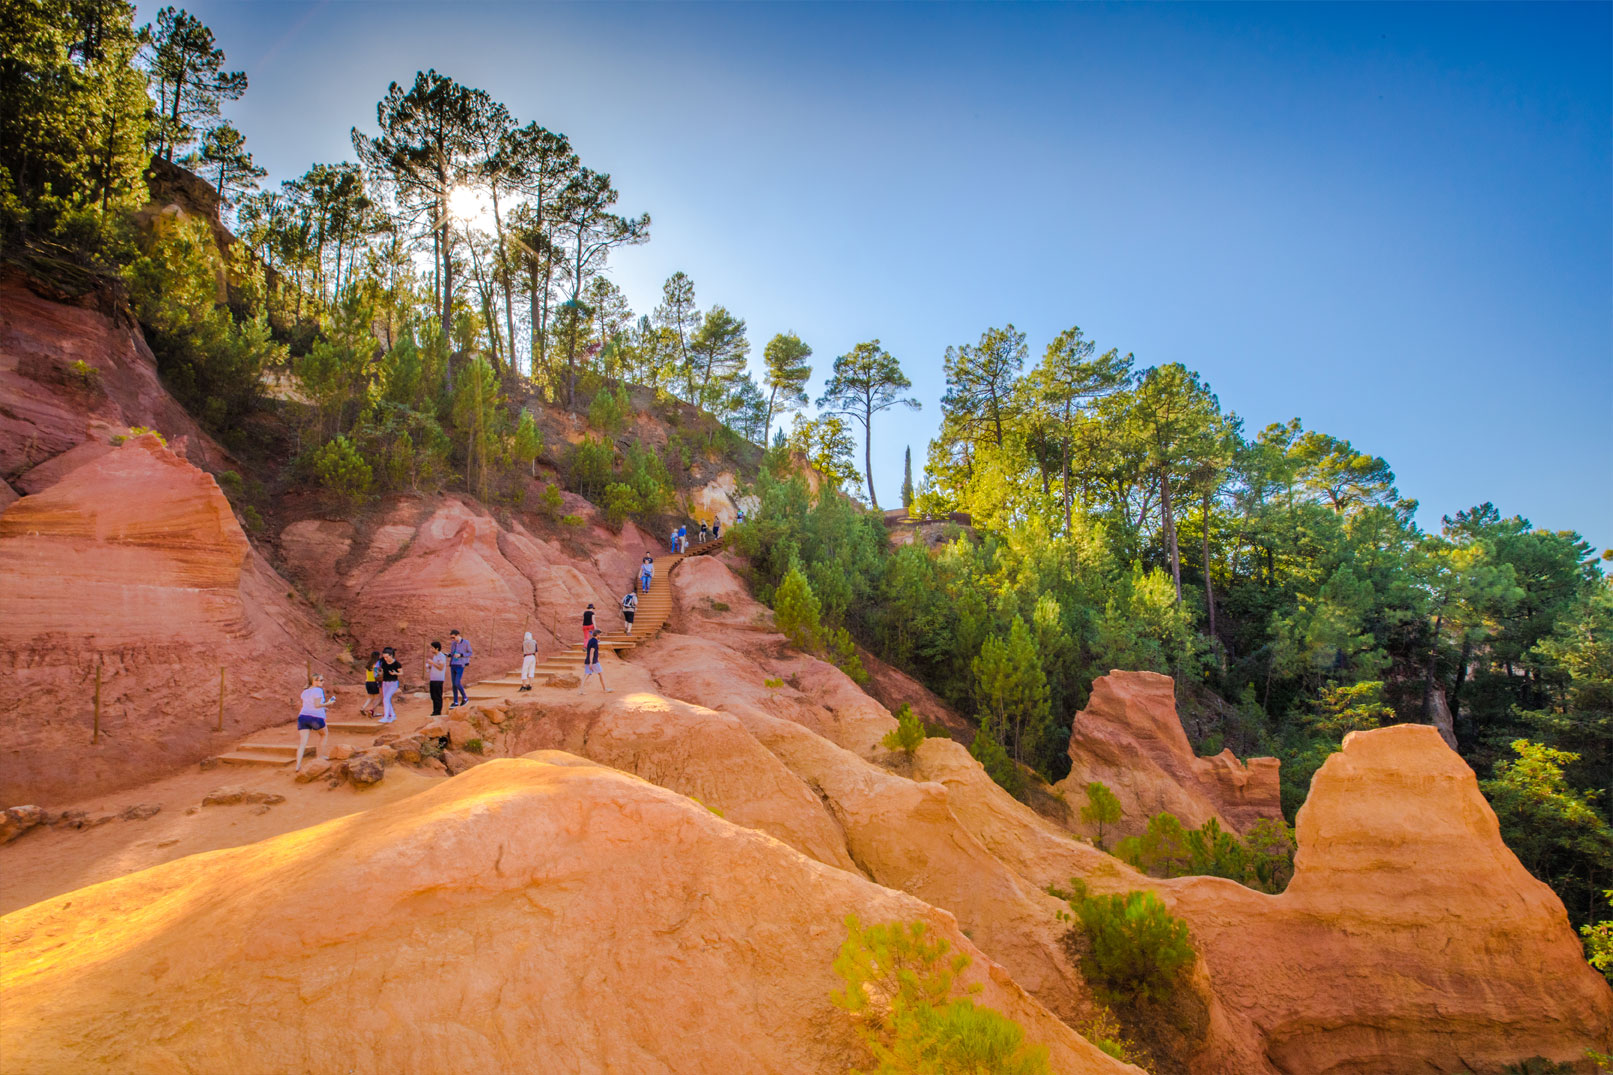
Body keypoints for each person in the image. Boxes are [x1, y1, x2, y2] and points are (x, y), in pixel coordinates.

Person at [295, 673, 333, 772]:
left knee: (302, 742)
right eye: (320, 680)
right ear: (314, 681)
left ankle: (298, 765)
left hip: (303, 717)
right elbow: (316, 705)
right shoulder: (318, 690)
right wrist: (328, 703)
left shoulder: (305, 691)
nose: (322, 682)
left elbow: (310, 704)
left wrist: (323, 707)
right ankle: (320, 756)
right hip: (315, 718)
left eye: (322, 680)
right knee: (324, 734)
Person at [448, 629, 473, 708]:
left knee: (457, 682)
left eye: (453, 637)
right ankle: (455, 702)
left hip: (460, 664)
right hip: (453, 664)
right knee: (454, 684)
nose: (452, 639)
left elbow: (470, 653)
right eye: (451, 638)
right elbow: (452, 653)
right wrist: (449, 655)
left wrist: (461, 655)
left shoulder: (466, 642)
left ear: (458, 635)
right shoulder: (453, 644)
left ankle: (465, 698)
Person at [378, 647, 401, 723]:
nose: (385, 658)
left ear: (391, 656)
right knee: (386, 699)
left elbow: (401, 672)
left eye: (387, 657)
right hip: (385, 682)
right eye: (384, 657)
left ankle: (386, 716)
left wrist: (395, 673)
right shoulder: (384, 663)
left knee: (386, 699)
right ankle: (393, 715)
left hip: (393, 683)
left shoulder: (396, 663)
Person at [426, 640, 447, 715]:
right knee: (433, 696)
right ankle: (435, 711)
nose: (430, 649)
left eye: (432, 648)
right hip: (433, 679)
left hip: (439, 679)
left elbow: (441, 667)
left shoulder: (441, 656)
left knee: (437, 696)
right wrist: (429, 666)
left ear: (437, 648)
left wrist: (432, 663)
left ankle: (438, 711)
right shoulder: (435, 656)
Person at [360, 650, 381, 717]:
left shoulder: (368, 665)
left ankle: (363, 708)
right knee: (376, 698)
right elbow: (377, 674)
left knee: (370, 697)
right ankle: (375, 712)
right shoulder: (375, 666)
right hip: (373, 683)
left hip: (368, 682)